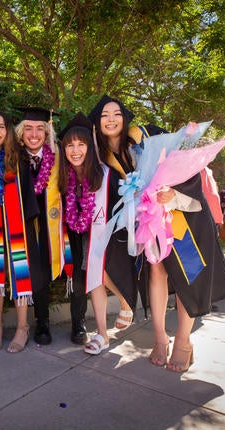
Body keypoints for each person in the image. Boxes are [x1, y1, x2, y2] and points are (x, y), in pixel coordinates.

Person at [58, 112, 138, 354]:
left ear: (89, 147)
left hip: (109, 235)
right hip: (82, 236)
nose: (75, 150)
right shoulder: (65, 176)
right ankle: (102, 333)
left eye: (81, 144)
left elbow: (121, 204)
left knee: (100, 273)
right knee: (94, 277)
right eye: (70, 145)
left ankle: (124, 303)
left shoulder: (106, 174)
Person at [0, 111, 39, 353]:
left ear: (8, 131)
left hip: (16, 228)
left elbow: (28, 196)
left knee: (19, 271)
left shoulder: (17, 158)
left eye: (1, 127)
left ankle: (22, 327)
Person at [85, 95, 141, 335]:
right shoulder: (97, 151)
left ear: (124, 118)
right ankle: (126, 302)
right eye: (104, 115)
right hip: (110, 217)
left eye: (116, 114)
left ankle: (132, 303)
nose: (110, 119)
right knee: (98, 265)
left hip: (143, 215)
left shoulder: (139, 143)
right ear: (98, 122)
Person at [15, 107, 64, 345]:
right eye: (28, 129)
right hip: (21, 223)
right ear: (20, 132)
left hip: (48, 223)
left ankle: (43, 322)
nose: (34, 134)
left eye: (40, 129)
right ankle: (28, 322)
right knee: (26, 269)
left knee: (44, 269)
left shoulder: (56, 157)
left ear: (47, 133)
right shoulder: (13, 157)